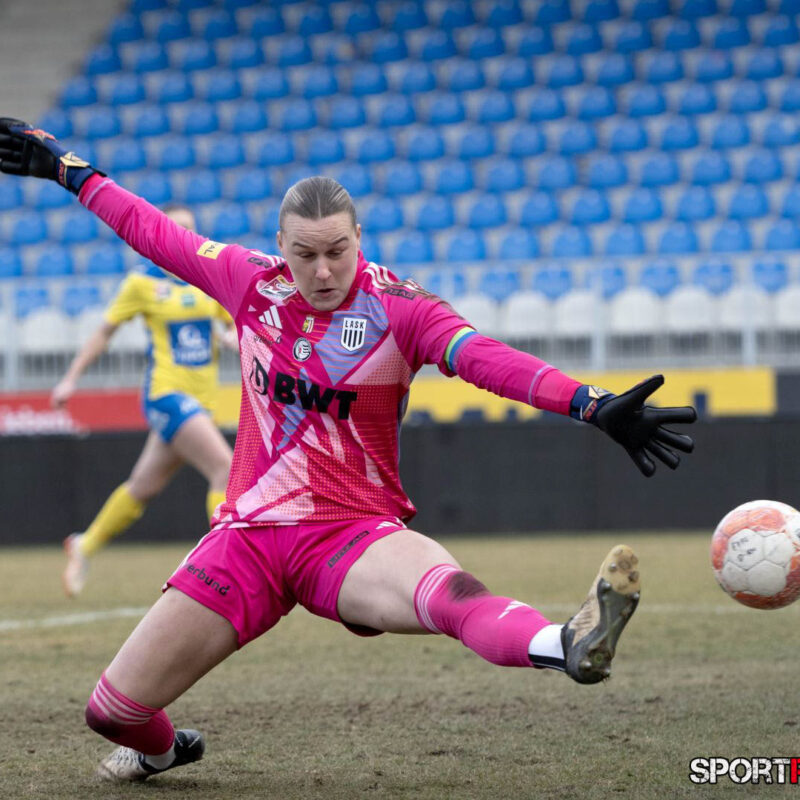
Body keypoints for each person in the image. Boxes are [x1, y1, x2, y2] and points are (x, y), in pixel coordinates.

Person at [0, 119, 696, 783]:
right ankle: (160, 755)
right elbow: (148, 230)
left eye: (338, 250)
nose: (324, 269)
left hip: (352, 535)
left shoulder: (401, 309)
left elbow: (484, 358)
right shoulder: (250, 284)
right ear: (281, 246)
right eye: (305, 253)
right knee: (112, 713)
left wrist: (591, 402)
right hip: (248, 541)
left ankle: (567, 646)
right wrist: (63, 167)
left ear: (360, 238)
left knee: (451, 598)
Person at [51, 204, 236, 596]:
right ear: (163, 237)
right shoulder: (142, 284)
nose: (186, 237)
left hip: (200, 402)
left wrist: (235, 340)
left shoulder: (208, 283)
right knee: (225, 467)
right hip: (166, 396)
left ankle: (84, 545)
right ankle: (222, 567)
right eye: (177, 230)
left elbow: (233, 328)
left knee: (143, 487)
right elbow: (105, 332)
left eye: (191, 230)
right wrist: (70, 379)